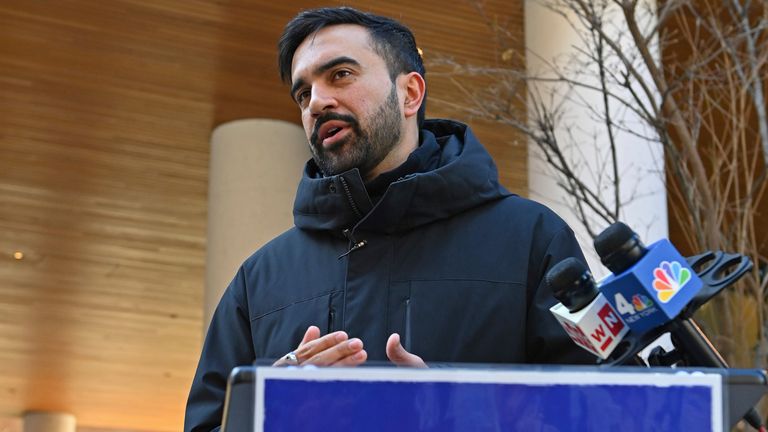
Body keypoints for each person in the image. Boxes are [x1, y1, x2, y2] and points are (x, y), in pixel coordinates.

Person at [185, 6, 593, 431]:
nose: (317, 102)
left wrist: (457, 412)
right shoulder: (258, 281)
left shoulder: (531, 240)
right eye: (303, 94)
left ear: (410, 94)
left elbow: (608, 412)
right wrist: (276, 411)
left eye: (340, 74)